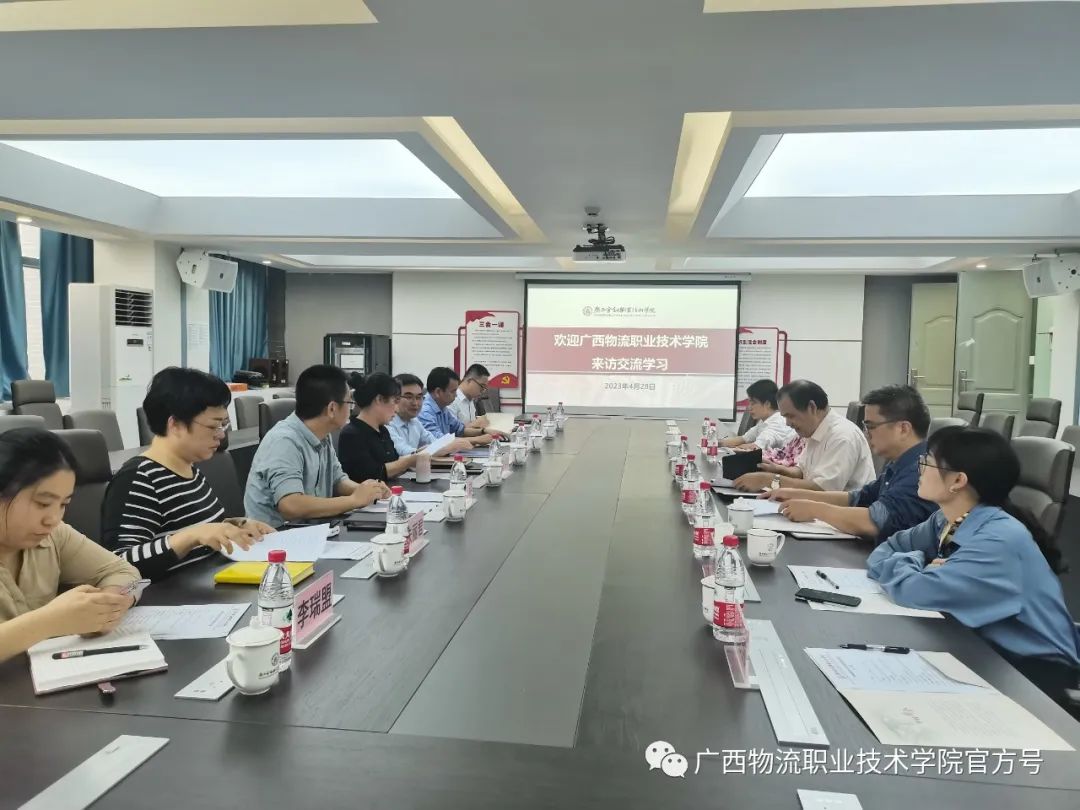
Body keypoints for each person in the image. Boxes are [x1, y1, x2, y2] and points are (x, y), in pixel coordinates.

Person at [867, 427, 1079, 704]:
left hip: (1033, 675)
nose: (920, 470)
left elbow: (916, 592)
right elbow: (883, 551)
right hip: (982, 648)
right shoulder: (948, 520)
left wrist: (919, 566)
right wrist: (922, 562)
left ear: (958, 480)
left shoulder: (999, 539)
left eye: (927, 462)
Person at [101, 367, 273, 581]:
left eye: (224, 424)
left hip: (208, 586)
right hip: (171, 597)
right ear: (175, 424)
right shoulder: (139, 478)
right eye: (214, 426)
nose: (221, 435)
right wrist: (191, 537)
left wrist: (239, 527)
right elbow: (119, 564)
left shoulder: (190, 471)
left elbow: (204, 530)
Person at [0, 429, 140, 662]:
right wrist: (50, 621)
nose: (53, 519)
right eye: (42, 503)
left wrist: (104, 607)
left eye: (63, 504)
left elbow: (123, 571)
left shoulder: (54, 535)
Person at [769, 385, 936, 540]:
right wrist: (799, 495)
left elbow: (874, 521)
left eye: (870, 426)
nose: (866, 433)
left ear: (903, 429)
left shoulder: (921, 471)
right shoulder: (899, 464)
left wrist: (814, 509)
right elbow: (858, 498)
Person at [244, 364, 390, 527]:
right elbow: (291, 505)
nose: (351, 409)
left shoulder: (322, 435)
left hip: (311, 529)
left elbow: (337, 480)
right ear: (332, 409)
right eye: (349, 403)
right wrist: (354, 500)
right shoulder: (284, 441)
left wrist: (367, 490)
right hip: (276, 535)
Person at [735, 380, 874, 492]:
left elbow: (822, 489)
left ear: (812, 407)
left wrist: (768, 480)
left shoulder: (842, 436)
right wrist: (777, 469)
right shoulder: (814, 430)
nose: (788, 424)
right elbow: (802, 472)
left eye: (791, 416)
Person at [338, 372, 420, 483]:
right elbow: (371, 474)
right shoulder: (352, 434)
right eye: (395, 401)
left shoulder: (383, 430)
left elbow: (393, 461)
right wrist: (408, 461)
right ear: (379, 399)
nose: (397, 409)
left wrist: (416, 455)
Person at [387, 373, 472, 457]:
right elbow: (404, 452)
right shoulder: (387, 423)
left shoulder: (414, 421)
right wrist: (444, 447)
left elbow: (434, 441)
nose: (415, 403)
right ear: (394, 398)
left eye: (418, 397)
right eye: (409, 397)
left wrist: (450, 445)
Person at [418, 367, 503, 444]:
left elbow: (460, 430)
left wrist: (484, 431)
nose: (456, 395)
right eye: (453, 391)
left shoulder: (442, 408)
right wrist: (477, 439)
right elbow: (439, 441)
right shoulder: (425, 412)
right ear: (438, 392)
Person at [722, 379, 796, 451]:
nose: (749, 408)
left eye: (753, 403)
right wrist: (717, 443)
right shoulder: (764, 421)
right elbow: (743, 438)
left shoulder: (778, 423)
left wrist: (730, 447)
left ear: (767, 404)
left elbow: (755, 448)